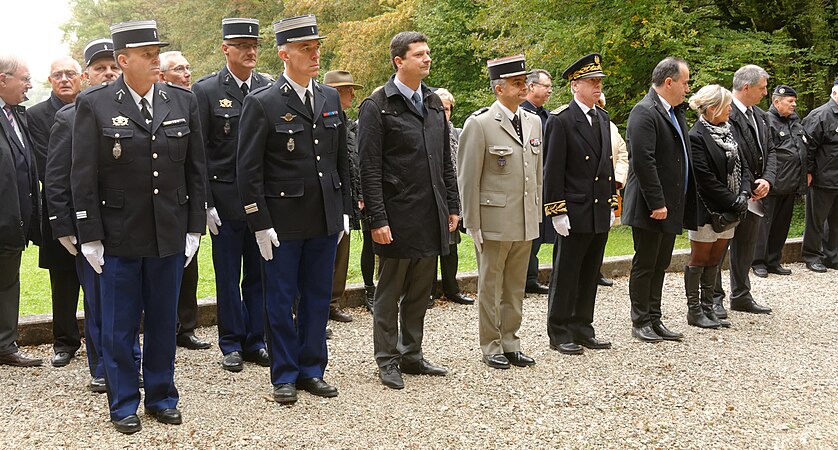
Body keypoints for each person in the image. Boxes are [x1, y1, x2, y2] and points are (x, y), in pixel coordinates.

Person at [71, 20, 207, 433]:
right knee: (118, 325)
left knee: (165, 322)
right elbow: (83, 175)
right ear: (123, 60)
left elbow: (196, 171)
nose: (156, 61)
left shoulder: (182, 101)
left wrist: (194, 227)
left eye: (156, 54)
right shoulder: (94, 104)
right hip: (118, 236)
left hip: (168, 231)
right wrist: (89, 235)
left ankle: (162, 396)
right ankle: (124, 402)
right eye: (148, 56)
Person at [237, 14, 350, 405]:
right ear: (284, 53)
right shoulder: (263, 102)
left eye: (317, 48)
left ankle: (312, 368)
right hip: (282, 222)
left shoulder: (330, 97)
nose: (315, 54)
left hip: (322, 216)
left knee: (318, 296)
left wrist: (344, 210)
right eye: (306, 49)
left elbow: (341, 161)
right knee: (281, 300)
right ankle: (284, 373)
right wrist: (259, 222)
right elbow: (248, 170)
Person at [358, 31, 460, 390]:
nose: (427, 59)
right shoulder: (377, 105)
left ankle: (411, 353)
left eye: (428, 53)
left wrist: (452, 204)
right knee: (389, 294)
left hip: (429, 212)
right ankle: (387, 360)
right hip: (396, 216)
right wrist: (377, 219)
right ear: (399, 62)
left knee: (420, 291)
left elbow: (445, 160)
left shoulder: (433, 102)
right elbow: (368, 168)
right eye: (419, 54)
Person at [45, 38, 142, 393]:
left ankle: (131, 361)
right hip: (90, 227)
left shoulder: (137, 112)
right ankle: (102, 366)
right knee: (100, 301)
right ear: (87, 76)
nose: (108, 74)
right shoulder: (69, 117)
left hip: (130, 225)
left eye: (113, 68)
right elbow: (56, 178)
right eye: (99, 69)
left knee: (130, 300)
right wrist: (63, 226)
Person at [192, 18, 272, 371]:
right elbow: (199, 153)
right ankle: (231, 342)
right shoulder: (206, 91)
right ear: (226, 49)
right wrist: (206, 202)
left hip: (261, 200)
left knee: (259, 274)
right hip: (224, 201)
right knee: (227, 275)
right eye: (242, 46)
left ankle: (257, 339)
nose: (250, 51)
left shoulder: (269, 88)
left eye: (254, 45)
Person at [458, 54, 541, 369]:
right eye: (517, 84)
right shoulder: (479, 124)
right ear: (499, 88)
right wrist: (472, 223)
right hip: (493, 220)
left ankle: (511, 341)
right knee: (490, 285)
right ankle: (491, 344)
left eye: (524, 83)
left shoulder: (534, 121)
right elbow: (469, 178)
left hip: (523, 218)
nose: (524, 88)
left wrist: (536, 214)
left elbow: (537, 173)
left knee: (515, 285)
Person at [543, 53, 617, 354]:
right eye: (592, 81)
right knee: (567, 273)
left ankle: (583, 326)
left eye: (599, 81)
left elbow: (607, 166)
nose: (598, 86)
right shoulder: (561, 120)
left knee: (590, 272)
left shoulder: (602, 118)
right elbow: (553, 170)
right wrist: (557, 211)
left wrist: (612, 203)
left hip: (597, 208)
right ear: (575, 85)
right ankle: (559, 330)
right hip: (573, 210)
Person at [622, 56, 692, 343]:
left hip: (670, 203)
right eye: (685, 82)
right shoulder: (645, 111)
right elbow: (643, 161)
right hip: (651, 206)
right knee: (646, 263)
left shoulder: (674, 111)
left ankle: (655, 317)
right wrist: (657, 202)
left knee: (661, 263)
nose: (687, 88)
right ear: (669, 82)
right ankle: (640, 321)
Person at [25, 56, 83, 367]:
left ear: (81, 77)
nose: (64, 79)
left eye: (70, 73)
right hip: (58, 206)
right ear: (49, 80)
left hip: (97, 206)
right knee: (62, 280)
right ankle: (65, 342)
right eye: (57, 74)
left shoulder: (96, 106)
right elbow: (47, 164)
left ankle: (103, 340)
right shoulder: (36, 116)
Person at [685, 84, 751, 329]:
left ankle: (708, 306)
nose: (731, 110)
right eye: (727, 106)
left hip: (731, 207)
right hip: (708, 209)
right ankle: (694, 311)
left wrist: (743, 193)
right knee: (700, 258)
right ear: (712, 108)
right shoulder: (696, 136)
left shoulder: (728, 130)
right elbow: (704, 178)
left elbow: (742, 165)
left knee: (715, 259)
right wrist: (733, 200)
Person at [712, 65, 774, 316]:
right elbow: (731, 152)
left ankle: (741, 294)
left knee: (746, 246)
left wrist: (767, 180)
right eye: (762, 88)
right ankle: (714, 298)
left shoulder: (760, 115)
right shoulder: (721, 111)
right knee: (717, 248)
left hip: (756, 193)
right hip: (730, 192)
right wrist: (749, 185)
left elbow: (772, 151)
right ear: (746, 87)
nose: (765, 92)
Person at [158, 49, 208, 350]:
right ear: (162, 76)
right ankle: (165, 326)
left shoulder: (191, 102)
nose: (186, 74)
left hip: (187, 198)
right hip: (160, 200)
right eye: (178, 69)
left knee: (189, 266)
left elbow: (199, 160)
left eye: (188, 68)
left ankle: (186, 326)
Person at [0, 53, 42, 368]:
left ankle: (4, 343)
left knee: (7, 282)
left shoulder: (16, 115)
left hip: (13, 225)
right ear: (3, 79)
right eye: (24, 79)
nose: (29, 85)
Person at [753, 85, 807, 276]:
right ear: (777, 102)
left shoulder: (795, 122)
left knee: (781, 226)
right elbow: (766, 153)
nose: (794, 105)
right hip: (773, 184)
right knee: (763, 226)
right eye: (790, 101)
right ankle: (758, 261)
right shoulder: (767, 121)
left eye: (795, 101)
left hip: (791, 184)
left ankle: (773, 260)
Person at [323, 69, 363, 321]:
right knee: (325, 251)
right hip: (328, 194)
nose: (352, 94)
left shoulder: (347, 121)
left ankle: (333, 301)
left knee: (343, 250)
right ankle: (319, 304)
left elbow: (352, 161)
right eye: (348, 89)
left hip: (346, 195)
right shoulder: (325, 118)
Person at [433, 87, 474, 306]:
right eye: (439, 108)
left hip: (452, 195)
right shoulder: (427, 131)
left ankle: (452, 289)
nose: (443, 112)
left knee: (451, 247)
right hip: (431, 195)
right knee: (430, 248)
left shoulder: (457, 134)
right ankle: (428, 292)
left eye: (447, 109)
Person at [520, 69, 552, 295]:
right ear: (531, 87)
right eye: (546, 85)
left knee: (538, 234)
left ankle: (531, 277)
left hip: (544, 184)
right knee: (526, 234)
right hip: (526, 184)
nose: (550, 90)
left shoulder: (547, 116)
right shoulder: (521, 115)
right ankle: (520, 278)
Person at [801, 79, 838, 272]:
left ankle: (832, 256)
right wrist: (808, 173)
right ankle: (812, 255)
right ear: (834, 93)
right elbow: (807, 148)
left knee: (835, 222)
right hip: (822, 178)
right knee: (816, 220)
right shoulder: (820, 115)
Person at [595, 92, 629, 286]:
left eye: (600, 102)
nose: (598, 105)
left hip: (609, 189)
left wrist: (617, 180)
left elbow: (623, 155)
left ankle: (596, 270)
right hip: (588, 191)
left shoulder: (611, 127)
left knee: (603, 231)